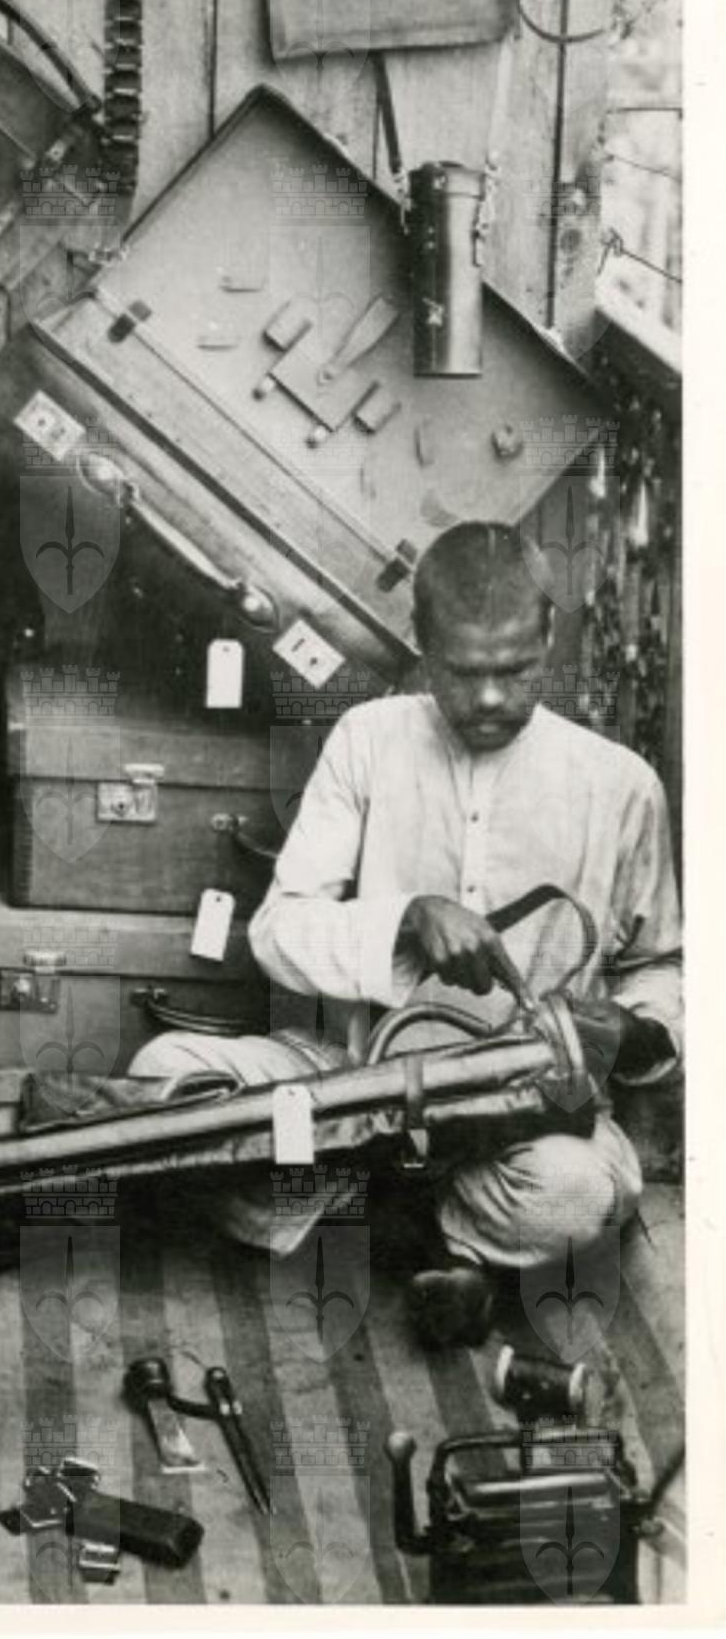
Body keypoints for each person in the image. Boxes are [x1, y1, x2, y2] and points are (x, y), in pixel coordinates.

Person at [129, 520, 682, 1346]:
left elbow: (664, 965)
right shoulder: (368, 738)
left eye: (514, 671)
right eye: (462, 672)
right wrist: (405, 919)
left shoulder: (622, 786)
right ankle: (449, 1242)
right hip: (352, 1084)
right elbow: (278, 931)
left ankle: (384, 1219)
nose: (488, 698)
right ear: (421, 641)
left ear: (549, 635)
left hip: (520, 1123)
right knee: (163, 1077)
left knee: (575, 1193)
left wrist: (635, 1030)